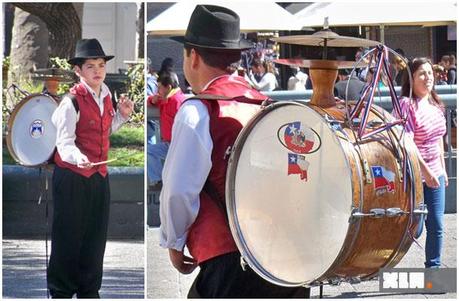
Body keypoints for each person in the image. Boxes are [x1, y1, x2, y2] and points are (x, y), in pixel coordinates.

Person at [159, 4, 309, 298]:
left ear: (193, 56)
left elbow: (178, 190)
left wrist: (174, 242)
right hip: (287, 259)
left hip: (229, 260)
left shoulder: (197, 111)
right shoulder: (268, 106)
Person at [47, 38, 134, 298]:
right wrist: (78, 158)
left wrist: (122, 116)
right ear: (78, 71)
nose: (97, 71)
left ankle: (89, 290)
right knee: (67, 237)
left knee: (95, 239)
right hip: (72, 177)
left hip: (98, 177)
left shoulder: (106, 94)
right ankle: (61, 291)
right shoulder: (70, 102)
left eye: (100, 65)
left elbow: (104, 130)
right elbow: (64, 144)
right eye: (90, 67)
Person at [395, 57, 447, 268]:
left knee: (437, 224)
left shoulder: (436, 104)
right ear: (412, 78)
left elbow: (439, 140)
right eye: (422, 74)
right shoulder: (406, 104)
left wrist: (442, 170)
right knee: (415, 228)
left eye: (430, 73)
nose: (428, 78)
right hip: (414, 174)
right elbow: (407, 143)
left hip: (436, 173)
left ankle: (433, 270)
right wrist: (425, 172)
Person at [147, 70, 185, 187]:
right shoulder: (170, 99)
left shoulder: (176, 101)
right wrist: (152, 100)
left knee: (149, 151)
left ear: (168, 87)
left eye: (159, 88)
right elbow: (152, 100)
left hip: (177, 146)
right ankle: (158, 180)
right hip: (172, 145)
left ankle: (157, 180)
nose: (157, 91)